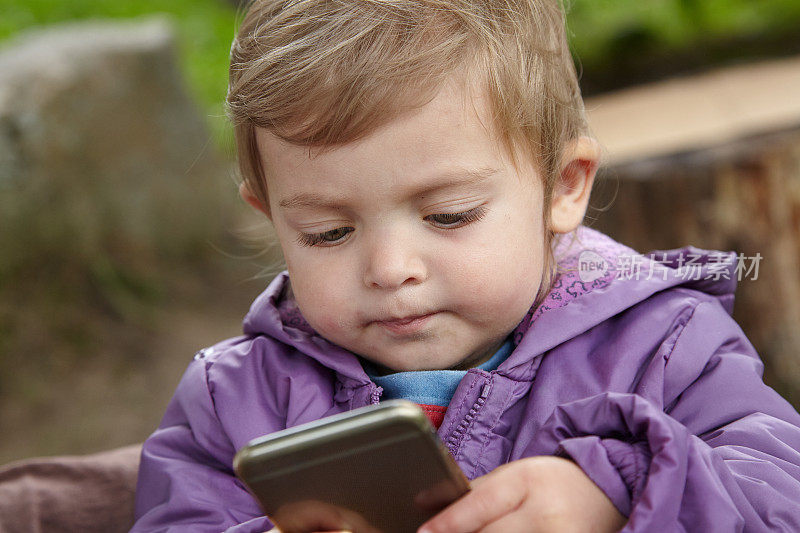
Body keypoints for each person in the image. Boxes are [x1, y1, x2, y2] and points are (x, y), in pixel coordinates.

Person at [132, 0, 800, 531]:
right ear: (271, 215)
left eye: (448, 215)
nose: (391, 269)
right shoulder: (235, 397)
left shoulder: (663, 345)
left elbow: (779, 491)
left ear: (564, 185)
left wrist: (620, 492)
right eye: (328, 232)